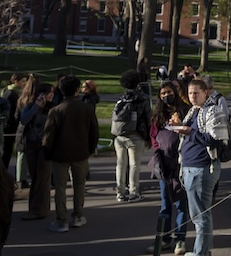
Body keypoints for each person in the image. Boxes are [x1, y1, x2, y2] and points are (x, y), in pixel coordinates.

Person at [174, 78, 229, 256]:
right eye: (190, 93)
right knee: (199, 214)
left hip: (202, 169)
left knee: (200, 216)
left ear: (206, 93)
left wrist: (188, 131)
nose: (193, 96)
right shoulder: (193, 111)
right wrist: (179, 127)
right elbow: (189, 134)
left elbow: (217, 140)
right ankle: (204, 250)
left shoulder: (213, 111)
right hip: (190, 168)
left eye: (196, 93)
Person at [41, 75, 99, 232]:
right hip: (81, 153)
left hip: (60, 154)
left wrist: (47, 153)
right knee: (79, 185)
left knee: (60, 188)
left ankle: (61, 220)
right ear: (76, 89)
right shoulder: (87, 109)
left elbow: (48, 136)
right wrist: (89, 149)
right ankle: (78, 215)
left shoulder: (56, 110)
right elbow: (94, 133)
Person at [148, 98, 188, 256]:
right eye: (163, 93)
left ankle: (180, 239)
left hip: (179, 163)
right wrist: (159, 150)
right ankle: (163, 238)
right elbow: (153, 136)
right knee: (165, 203)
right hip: (163, 164)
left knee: (181, 203)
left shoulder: (185, 113)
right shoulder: (158, 117)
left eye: (170, 92)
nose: (167, 96)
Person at [112, 69, 150, 202]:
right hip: (136, 135)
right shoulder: (142, 99)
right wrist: (148, 136)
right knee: (134, 165)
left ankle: (120, 192)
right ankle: (134, 192)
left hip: (120, 135)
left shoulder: (121, 99)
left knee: (120, 164)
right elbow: (147, 118)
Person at [19, 84, 52, 220]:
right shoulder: (31, 106)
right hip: (31, 144)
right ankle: (35, 208)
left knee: (42, 177)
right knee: (35, 177)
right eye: (49, 93)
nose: (51, 95)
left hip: (46, 145)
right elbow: (24, 120)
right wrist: (36, 106)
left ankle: (39, 209)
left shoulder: (53, 107)